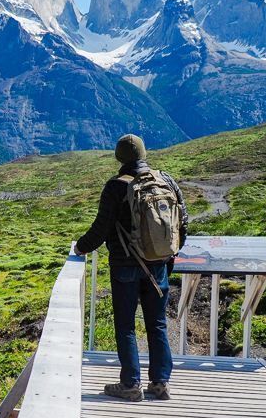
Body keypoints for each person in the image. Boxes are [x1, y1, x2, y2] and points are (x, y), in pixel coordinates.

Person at [73, 134, 188, 401]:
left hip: (125, 266)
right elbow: (182, 224)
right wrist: (167, 256)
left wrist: (80, 248)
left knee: (125, 325)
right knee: (157, 323)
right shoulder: (166, 180)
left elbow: (100, 230)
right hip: (158, 265)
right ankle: (160, 382)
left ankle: (130, 384)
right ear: (144, 154)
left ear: (119, 157)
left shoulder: (116, 186)